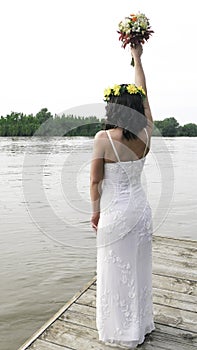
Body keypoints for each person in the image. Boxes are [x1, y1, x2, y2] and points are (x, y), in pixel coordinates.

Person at [90, 44, 155, 349]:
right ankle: (139, 325)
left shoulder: (103, 139)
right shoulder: (146, 133)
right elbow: (145, 96)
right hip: (140, 212)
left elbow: (95, 181)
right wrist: (138, 59)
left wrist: (95, 211)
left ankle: (120, 328)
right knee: (139, 266)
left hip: (116, 215)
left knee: (115, 270)